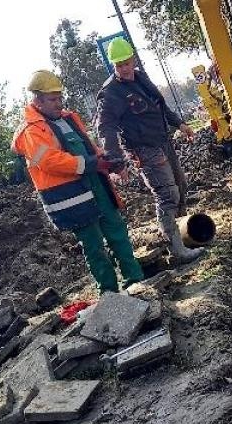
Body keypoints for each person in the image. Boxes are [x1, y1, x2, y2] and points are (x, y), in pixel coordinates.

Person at [12, 69, 146, 293]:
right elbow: (50, 161)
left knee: (117, 232)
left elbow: (87, 147)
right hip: (72, 197)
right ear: (37, 100)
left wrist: (105, 159)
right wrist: (93, 164)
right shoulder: (32, 131)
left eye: (59, 98)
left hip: (97, 187)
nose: (58, 103)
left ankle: (136, 281)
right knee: (93, 246)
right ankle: (109, 293)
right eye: (52, 100)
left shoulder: (67, 118)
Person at [96, 37, 198, 265]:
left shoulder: (141, 78)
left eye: (126, 63)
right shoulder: (111, 93)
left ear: (133, 60)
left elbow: (160, 106)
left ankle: (182, 234)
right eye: (118, 65)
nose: (123, 68)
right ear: (114, 65)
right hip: (143, 149)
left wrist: (179, 123)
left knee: (180, 187)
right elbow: (105, 129)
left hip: (163, 141)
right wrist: (117, 162)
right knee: (166, 193)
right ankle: (177, 251)